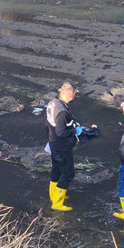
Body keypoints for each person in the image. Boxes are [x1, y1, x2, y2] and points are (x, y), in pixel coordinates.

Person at [46, 82, 82, 212]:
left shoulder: (53, 103)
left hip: (53, 143)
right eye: (74, 93)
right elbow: (61, 132)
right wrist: (76, 131)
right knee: (68, 174)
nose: (75, 95)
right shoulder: (61, 111)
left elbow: (48, 125)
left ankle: (54, 196)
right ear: (69, 93)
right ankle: (57, 203)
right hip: (62, 146)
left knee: (56, 169)